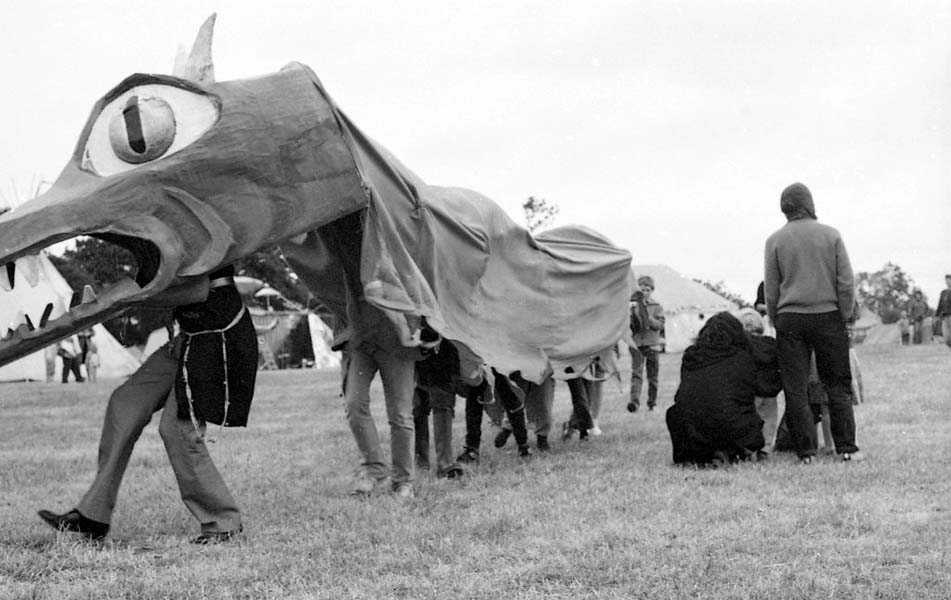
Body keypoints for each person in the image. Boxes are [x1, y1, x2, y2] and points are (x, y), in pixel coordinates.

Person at [38, 266, 257, 543]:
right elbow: (144, 288)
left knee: (177, 428)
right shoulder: (150, 247)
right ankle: (93, 516)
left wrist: (127, 299)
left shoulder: (194, 232)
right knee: (125, 403)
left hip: (218, 339)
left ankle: (223, 523)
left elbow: (198, 290)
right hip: (187, 339)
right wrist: (104, 303)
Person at [764, 182, 861, 464]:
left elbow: (772, 288)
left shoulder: (775, 241)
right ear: (809, 203)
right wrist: (843, 315)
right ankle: (846, 449)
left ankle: (805, 452)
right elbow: (846, 282)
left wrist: (776, 317)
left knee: (796, 388)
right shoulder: (831, 235)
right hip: (828, 315)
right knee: (838, 385)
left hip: (790, 318)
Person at [665, 312, 781, 466]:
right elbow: (768, 388)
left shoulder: (691, 356)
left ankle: (701, 453)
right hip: (732, 429)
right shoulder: (743, 358)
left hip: (689, 434)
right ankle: (735, 451)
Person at [628, 276, 665, 412]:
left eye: (647, 290)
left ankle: (652, 403)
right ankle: (634, 403)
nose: (644, 292)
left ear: (652, 290)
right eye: (642, 290)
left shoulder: (657, 307)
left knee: (653, 377)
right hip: (637, 345)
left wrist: (647, 318)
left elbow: (660, 325)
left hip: (652, 345)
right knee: (636, 375)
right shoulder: (632, 306)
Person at [935, 275, 951, 348]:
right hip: (945, 316)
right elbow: (940, 304)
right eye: (946, 280)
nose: (947, 282)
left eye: (949, 280)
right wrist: (937, 315)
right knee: (946, 338)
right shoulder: (943, 292)